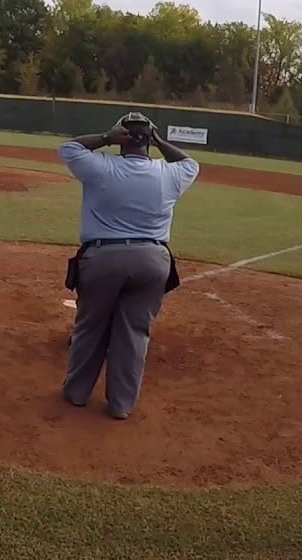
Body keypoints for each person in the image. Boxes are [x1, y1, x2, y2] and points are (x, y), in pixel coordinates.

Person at [59, 112, 200, 420]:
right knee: (134, 333)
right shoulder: (168, 173)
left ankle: (77, 393)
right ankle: (121, 405)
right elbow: (191, 164)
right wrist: (159, 141)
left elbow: (69, 148)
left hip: (102, 258)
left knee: (91, 327)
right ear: (149, 140)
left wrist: (106, 138)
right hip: (152, 260)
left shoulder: (100, 166)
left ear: (121, 137)